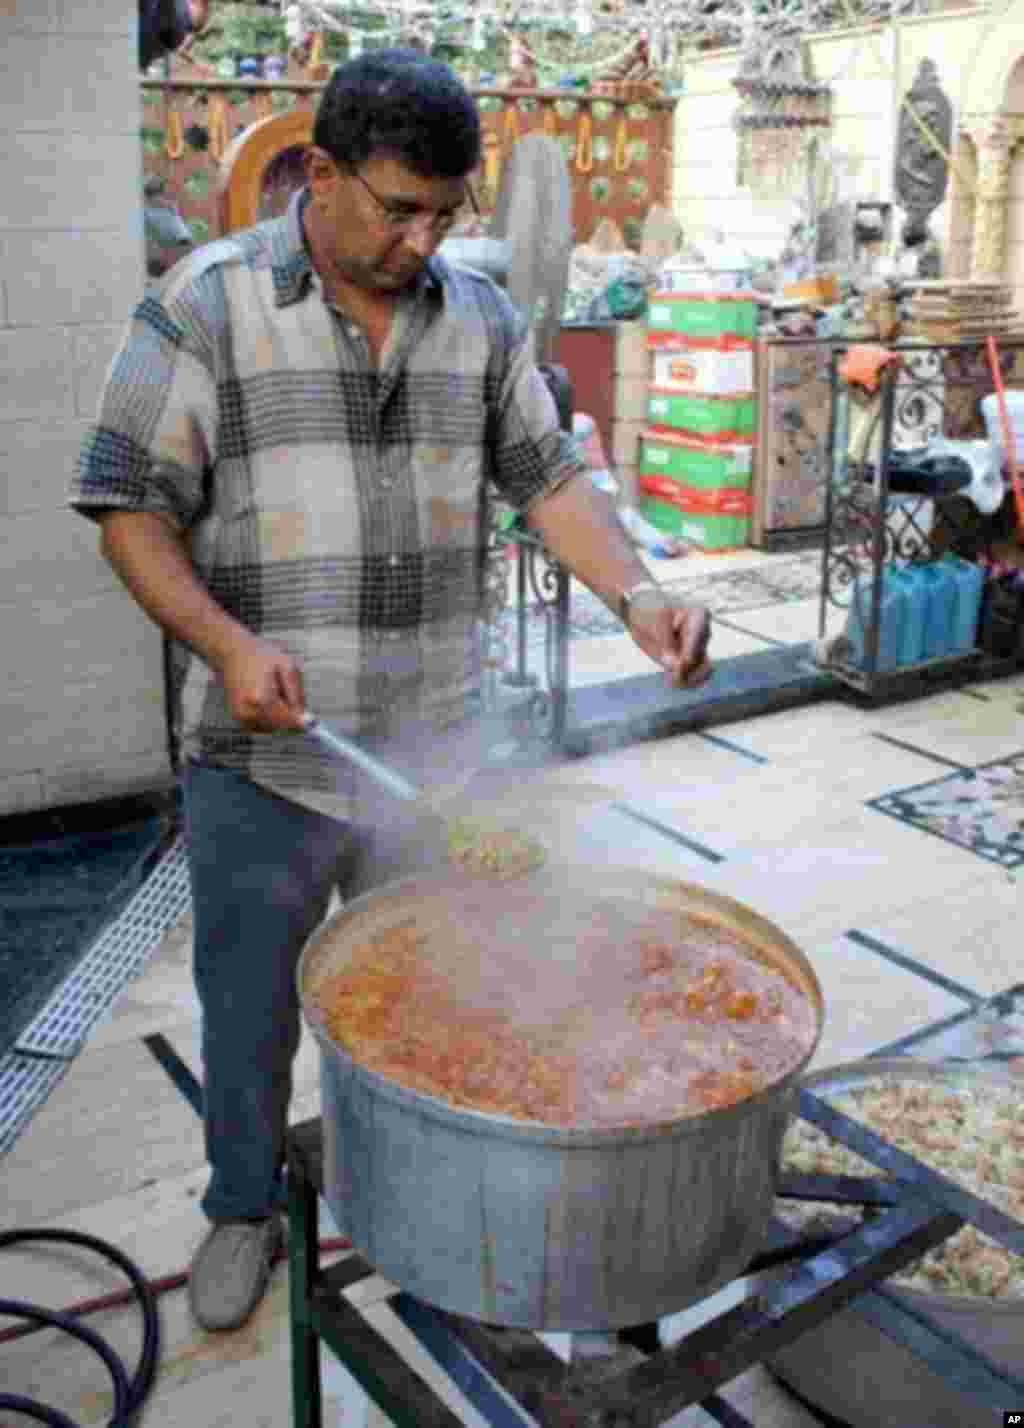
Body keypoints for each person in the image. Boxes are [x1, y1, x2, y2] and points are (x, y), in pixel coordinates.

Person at [69, 49, 712, 1333]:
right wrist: (226, 644)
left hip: (432, 762)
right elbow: (128, 511)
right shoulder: (206, 306)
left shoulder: (474, 318)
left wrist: (637, 598)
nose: (421, 241)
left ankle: (420, 1196)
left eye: (442, 214)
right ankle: (241, 1204)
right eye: (397, 208)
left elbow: (549, 480)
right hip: (265, 763)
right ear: (319, 174)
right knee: (252, 1009)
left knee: (433, 998)